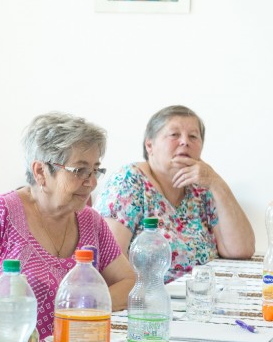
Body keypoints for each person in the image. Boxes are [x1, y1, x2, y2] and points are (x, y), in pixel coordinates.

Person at [0, 112, 136, 342]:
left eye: (95, 170)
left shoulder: (91, 222)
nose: (92, 182)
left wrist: (80, 308)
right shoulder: (1, 213)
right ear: (41, 172)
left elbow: (128, 281)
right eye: (80, 170)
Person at [96, 105, 254, 281]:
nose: (185, 142)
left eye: (193, 136)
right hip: (151, 294)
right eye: (174, 135)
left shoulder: (202, 187)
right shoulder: (129, 180)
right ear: (150, 145)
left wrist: (216, 182)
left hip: (202, 291)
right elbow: (111, 261)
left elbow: (241, 250)